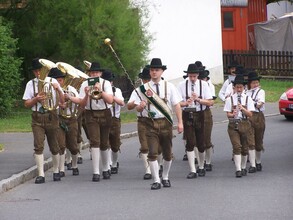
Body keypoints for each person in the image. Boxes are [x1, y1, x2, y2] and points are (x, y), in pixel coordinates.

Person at [134, 58, 183, 190]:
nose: (154, 72)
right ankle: (156, 180)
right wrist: (140, 106)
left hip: (166, 122)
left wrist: (180, 123)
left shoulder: (170, 86)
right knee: (153, 152)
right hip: (150, 123)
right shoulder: (143, 88)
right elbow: (132, 106)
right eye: (152, 70)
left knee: (167, 154)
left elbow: (176, 105)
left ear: (162, 71)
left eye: (157, 70)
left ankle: (165, 177)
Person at [22, 58, 64, 183]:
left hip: (51, 115)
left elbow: (62, 101)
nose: (38, 73)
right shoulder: (30, 84)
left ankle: (56, 170)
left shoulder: (53, 81)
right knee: (38, 146)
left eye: (40, 70)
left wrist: (58, 89)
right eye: (35, 71)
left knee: (54, 145)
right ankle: (41, 174)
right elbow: (26, 103)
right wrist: (36, 99)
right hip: (37, 117)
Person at [76, 61, 114, 182]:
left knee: (104, 142)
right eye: (92, 73)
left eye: (96, 72)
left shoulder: (106, 83)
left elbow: (110, 100)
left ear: (100, 73)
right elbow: (82, 104)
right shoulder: (84, 84)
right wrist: (87, 94)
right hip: (91, 113)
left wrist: (101, 91)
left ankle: (105, 168)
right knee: (94, 141)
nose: (94, 75)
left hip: (105, 113)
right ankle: (96, 172)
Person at [178, 64, 214, 179]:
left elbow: (210, 102)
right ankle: (192, 169)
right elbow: (177, 103)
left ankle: (201, 166)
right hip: (187, 114)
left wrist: (198, 99)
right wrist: (186, 103)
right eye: (190, 76)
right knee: (190, 142)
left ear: (198, 75)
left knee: (201, 142)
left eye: (194, 76)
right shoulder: (181, 85)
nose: (192, 78)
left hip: (200, 114)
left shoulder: (204, 85)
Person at [48, 67, 80, 177]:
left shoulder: (71, 88)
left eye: (60, 80)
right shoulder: (50, 90)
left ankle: (74, 165)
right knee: (60, 145)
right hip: (58, 118)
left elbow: (80, 101)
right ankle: (61, 169)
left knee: (73, 146)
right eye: (56, 80)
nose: (58, 82)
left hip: (71, 119)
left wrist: (70, 98)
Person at [223, 74, 255, 178]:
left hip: (245, 123)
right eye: (237, 87)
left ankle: (243, 166)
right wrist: (233, 113)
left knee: (245, 148)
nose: (239, 89)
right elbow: (228, 114)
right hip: (233, 124)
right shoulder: (229, 99)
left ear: (244, 87)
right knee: (237, 146)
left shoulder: (248, 99)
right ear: (234, 87)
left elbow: (250, 114)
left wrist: (243, 109)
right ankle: (238, 169)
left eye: (241, 87)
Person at [101, 70, 125, 174]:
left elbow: (122, 102)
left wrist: (111, 97)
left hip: (115, 119)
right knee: (105, 143)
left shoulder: (117, 90)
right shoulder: (99, 90)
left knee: (115, 145)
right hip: (103, 118)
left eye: (110, 81)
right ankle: (108, 164)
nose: (108, 83)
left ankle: (114, 162)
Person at [246, 71, 265, 172]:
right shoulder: (247, 93)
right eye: (253, 83)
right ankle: (252, 164)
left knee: (258, 141)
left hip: (258, 117)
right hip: (249, 116)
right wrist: (254, 102)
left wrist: (251, 102)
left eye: (257, 82)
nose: (255, 84)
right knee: (250, 142)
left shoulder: (261, 92)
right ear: (249, 83)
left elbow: (259, 104)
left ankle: (258, 162)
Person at [198, 69, 216, 171]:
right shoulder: (191, 86)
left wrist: (200, 100)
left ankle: (208, 162)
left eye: (203, 78)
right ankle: (201, 162)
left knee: (206, 139)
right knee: (196, 140)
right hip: (194, 112)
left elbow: (211, 101)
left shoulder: (208, 86)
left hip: (205, 112)